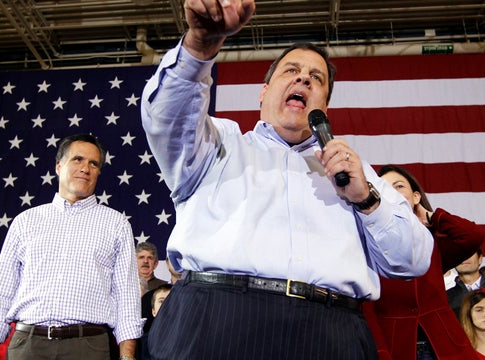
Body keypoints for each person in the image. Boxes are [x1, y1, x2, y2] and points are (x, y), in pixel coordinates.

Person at [140, 1, 434, 358]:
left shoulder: (356, 173)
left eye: (317, 78)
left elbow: (413, 260)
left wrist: (367, 200)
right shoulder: (218, 143)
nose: (304, 78)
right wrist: (199, 46)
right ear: (264, 92)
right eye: (291, 70)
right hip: (215, 322)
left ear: (323, 106)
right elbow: (167, 117)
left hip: (330, 334)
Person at [0, 134, 142, 360]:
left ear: (99, 172)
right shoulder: (25, 221)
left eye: (94, 163)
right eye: (78, 159)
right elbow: (0, 296)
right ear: (58, 166)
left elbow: (127, 299)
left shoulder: (116, 224)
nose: (85, 168)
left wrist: (127, 357)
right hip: (28, 345)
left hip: (89, 346)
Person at [364, 164, 483, 359]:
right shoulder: (367, 243)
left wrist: (432, 217)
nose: (392, 193)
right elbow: (367, 308)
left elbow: (472, 236)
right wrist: (380, 352)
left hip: (443, 345)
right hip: (397, 347)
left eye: (399, 186)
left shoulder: (431, 241)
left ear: (416, 197)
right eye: (384, 188)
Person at [138, 284, 172, 360]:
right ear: (153, 311)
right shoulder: (144, 342)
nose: (166, 305)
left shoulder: (188, 339)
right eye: (161, 301)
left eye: (171, 300)